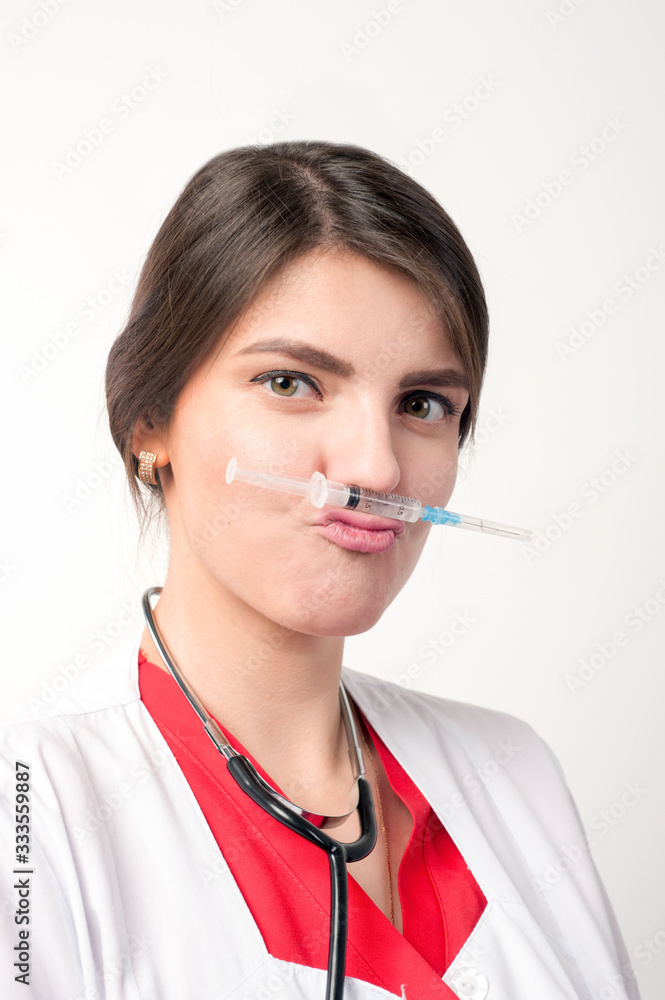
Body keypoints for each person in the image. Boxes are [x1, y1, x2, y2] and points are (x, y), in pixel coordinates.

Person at [0, 140, 640, 1000]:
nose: (376, 470)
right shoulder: (32, 812)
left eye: (422, 404)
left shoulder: (512, 773)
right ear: (148, 422)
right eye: (292, 383)